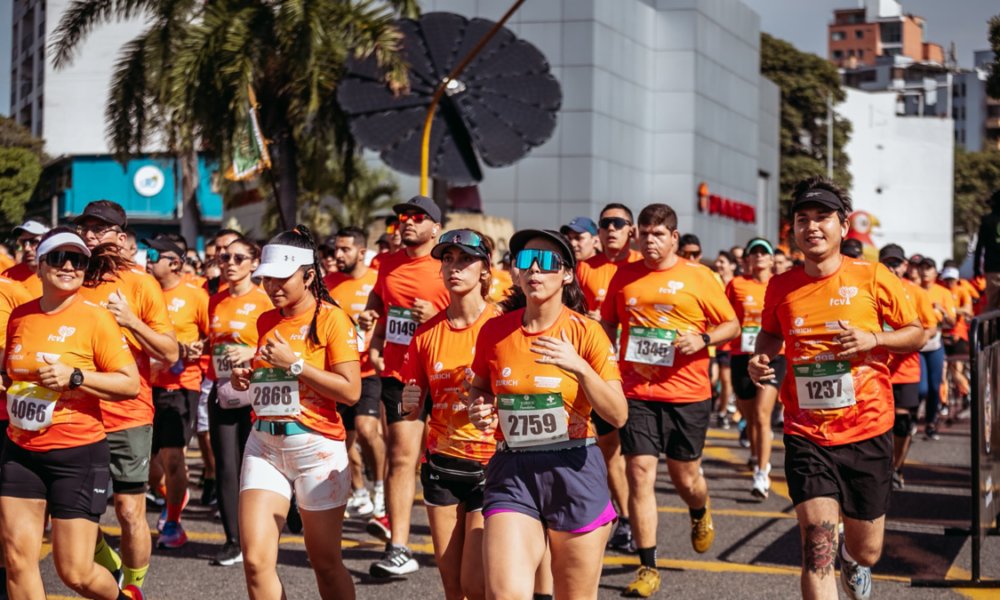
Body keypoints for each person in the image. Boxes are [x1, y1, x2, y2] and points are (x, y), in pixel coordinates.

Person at [748, 177, 922, 600]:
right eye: (802, 219)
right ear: (792, 230)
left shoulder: (872, 276)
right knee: (815, 551)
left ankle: (854, 556)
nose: (812, 227)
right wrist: (761, 357)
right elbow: (770, 335)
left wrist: (874, 340)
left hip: (867, 428)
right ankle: (836, 555)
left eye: (822, 217)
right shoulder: (782, 286)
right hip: (808, 434)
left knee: (868, 549)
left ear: (843, 226)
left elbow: (916, 333)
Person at [466, 228, 627, 600]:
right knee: (505, 594)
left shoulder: (587, 333)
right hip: (512, 469)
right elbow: (480, 388)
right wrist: (480, 408)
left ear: (567, 274)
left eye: (548, 262)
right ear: (516, 273)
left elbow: (618, 415)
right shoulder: (495, 331)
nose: (535, 269)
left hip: (574, 467)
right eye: (525, 260)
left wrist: (581, 369)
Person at [601, 204, 739, 598]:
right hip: (637, 393)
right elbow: (608, 322)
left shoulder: (700, 277)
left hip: (687, 393)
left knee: (686, 476)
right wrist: (607, 349)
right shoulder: (624, 276)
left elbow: (731, 324)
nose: (649, 241)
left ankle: (699, 508)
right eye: (643, 233)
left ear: (674, 237)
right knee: (640, 471)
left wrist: (704, 339)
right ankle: (647, 566)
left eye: (657, 234)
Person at [0, 228, 143, 600]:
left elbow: (129, 384)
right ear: (40, 264)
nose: (68, 266)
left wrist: (75, 377)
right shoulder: (21, 316)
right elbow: (12, 372)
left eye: (77, 260)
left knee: (74, 571)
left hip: (76, 453)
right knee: (16, 560)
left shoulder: (96, 319)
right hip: (21, 451)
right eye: (59, 258)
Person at [230, 225, 361, 599]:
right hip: (264, 445)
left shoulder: (332, 319)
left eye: (281, 279)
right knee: (255, 562)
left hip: (316, 449)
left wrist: (295, 365)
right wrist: (249, 377)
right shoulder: (266, 321)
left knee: (324, 563)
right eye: (266, 280)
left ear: (308, 275)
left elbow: (351, 391)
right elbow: (269, 378)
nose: (272, 288)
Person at [75, 200, 178, 593]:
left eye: (98, 229)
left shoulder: (140, 284)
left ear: (120, 238)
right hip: (76, 414)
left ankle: (133, 589)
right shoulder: (69, 277)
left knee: (129, 511)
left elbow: (169, 352)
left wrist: (130, 321)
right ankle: (112, 564)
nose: (88, 235)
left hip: (128, 414)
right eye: (84, 227)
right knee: (67, 511)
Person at [399, 229, 499, 600]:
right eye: (448, 260)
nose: (454, 268)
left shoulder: (502, 326)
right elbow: (411, 405)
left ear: (485, 270)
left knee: (476, 583)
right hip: (442, 467)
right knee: (452, 585)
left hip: (492, 465)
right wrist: (409, 402)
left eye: (465, 260)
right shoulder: (425, 334)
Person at [360, 196, 450, 577]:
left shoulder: (451, 265)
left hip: (447, 375)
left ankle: (463, 540)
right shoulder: (388, 265)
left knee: (447, 460)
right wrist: (377, 339)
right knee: (401, 456)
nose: (407, 222)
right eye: (403, 217)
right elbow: (381, 306)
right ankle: (398, 546)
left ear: (436, 228)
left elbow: (481, 315)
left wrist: (438, 316)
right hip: (402, 375)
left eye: (417, 217)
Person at [575, 203, 641, 553]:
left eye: (619, 223)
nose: (611, 228)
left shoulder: (642, 268)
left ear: (632, 230)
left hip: (640, 377)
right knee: (610, 450)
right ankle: (627, 519)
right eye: (605, 223)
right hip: (601, 373)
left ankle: (637, 516)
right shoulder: (585, 269)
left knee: (640, 459)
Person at [205, 235, 271, 566]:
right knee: (226, 466)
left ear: (254, 263)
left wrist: (251, 352)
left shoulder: (265, 300)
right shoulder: (215, 300)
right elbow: (213, 344)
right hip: (223, 390)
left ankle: (259, 534)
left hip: (258, 391)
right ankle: (234, 540)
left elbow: (283, 343)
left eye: (237, 258)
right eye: (224, 258)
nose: (229, 263)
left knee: (255, 466)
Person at [144, 235, 210, 548]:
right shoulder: (142, 291)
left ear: (175, 262)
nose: (148, 257)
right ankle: (172, 497)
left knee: (172, 459)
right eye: (147, 251)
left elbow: (214, 336)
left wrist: (198, 351)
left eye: (155, 253)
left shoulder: (196, 296)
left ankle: (173, 522)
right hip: (144, 386)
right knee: (149, 467)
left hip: (181, 385)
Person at [324, 227, 386, 521]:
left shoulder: (376, 281)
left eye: (345, 249)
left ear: (362, 252)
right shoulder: (327, 284)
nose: (338, 255)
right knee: (343, 439)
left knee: (367, 429)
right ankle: (359, 492)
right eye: (336, 249)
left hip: (367, 368)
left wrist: (372, 324)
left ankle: (381, 489)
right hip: (337, 370)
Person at [726, 238, 785, 501]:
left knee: (762, 415)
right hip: (742, 356)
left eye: (764, 252)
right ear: (747, 259)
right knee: (749, 416)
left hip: (774, 356)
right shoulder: (737, 285)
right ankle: (755, 454)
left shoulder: (781, 285)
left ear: (772, 259)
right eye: (754, 252)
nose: (759, 256)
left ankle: (762, 473)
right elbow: (725, 317)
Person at [878, 244, 936, 490]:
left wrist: (914, 340)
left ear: (904, 266)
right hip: (875, 367)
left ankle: (896, 467)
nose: (892, 268)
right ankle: (880, 470)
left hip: (905, 368)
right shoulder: (867, 290)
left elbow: (929, 327)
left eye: (896, 263)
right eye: (887, 263)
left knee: (902, 425)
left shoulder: (917, 293)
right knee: (878, 424)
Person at [916, 257, 955, 440]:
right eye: (922, 268)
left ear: (935, 271)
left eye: (928, 268)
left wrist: (943, 311)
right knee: (920, 388)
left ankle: (931, 422)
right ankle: (912, 419)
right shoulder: (912, 290)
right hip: (916, 345)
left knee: (934, 387)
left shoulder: (943, 292)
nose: (925, 272)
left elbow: (952, 321)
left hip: (935, 345)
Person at [3, 219, 50, 298]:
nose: (26, 248)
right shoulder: (8, 276)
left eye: (34, 241)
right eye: (23, 242)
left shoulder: (63, 276)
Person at [973, 189, 1000, 311]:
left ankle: (989, 330)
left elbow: (979, 246)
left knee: (991, 306)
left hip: (992, 269)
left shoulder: (987, 220)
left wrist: (976, 268)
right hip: (992, 268)